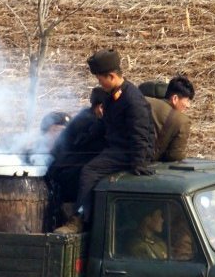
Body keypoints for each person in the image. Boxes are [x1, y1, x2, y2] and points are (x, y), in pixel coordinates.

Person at [57, 48, 156, 233]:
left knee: (89, 172)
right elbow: (106, 125)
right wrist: (85, 140)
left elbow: (140, 134)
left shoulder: (132, 99)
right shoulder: (115, 95)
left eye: (100, 79)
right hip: (114, 147)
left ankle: (79, 218)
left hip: (126, 152)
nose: (99, 83)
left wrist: (139, 163)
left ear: (111, 76)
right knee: (75, 165)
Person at [45, 87, 107, 219]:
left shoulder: (86, 117)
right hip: (66, 179)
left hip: (64, 176)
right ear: (101, 108)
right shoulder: (89, 123)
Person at [147, 75, 195, 162]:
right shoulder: (181, 120)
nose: (188, 106)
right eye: (187, 100)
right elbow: (175, 156)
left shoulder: (141, 102)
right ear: (175, 98)